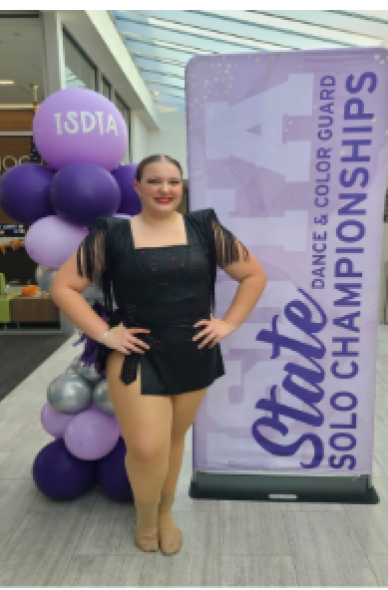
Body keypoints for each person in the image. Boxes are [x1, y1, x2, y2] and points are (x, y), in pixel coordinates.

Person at [50, 154, 267, 555]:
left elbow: (253, 275)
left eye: (173, 181)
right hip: (135, 354)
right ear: (137, 188)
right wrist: (104, 333)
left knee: (171, 440)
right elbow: (63, 287)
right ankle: (145, 518)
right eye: (154, 181)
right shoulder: (111, 234)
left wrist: (228, 324)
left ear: (182, 186)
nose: (165, 189)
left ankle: (166, 514)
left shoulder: (205, 228)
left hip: (193, 351)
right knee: (147, 447)